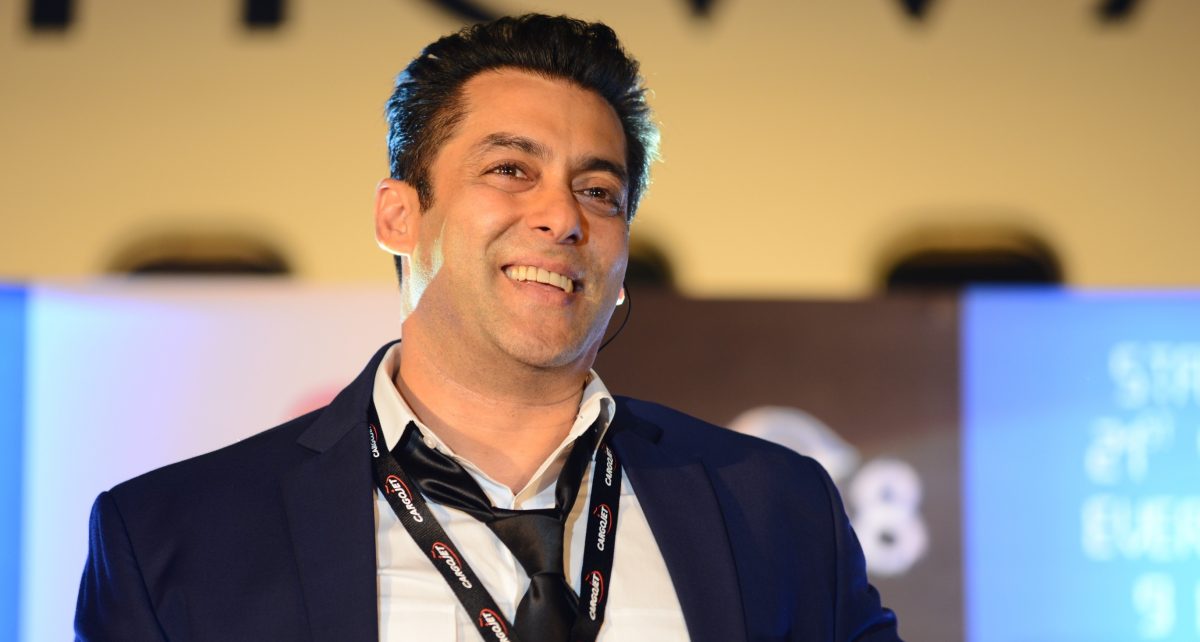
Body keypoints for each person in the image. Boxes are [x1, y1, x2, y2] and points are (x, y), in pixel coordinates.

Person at [75, 14, 902, 642]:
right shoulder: (174, 534)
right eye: (510, 170)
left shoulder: (776, 508)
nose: (562, 217)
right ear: (399, 216)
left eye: (598, 191)